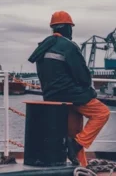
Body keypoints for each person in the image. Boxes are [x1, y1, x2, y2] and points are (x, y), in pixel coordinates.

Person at [28, 11, 110, 166]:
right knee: (102, 113)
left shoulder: (43, 47)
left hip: (52, 97)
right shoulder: (68, 46)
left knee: (75, 134)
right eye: (70, 27)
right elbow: (83, 76)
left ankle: (80, 166)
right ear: (67, 28)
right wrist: (90, 92)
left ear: (53, 28)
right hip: (71, 96)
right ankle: (76, 145)